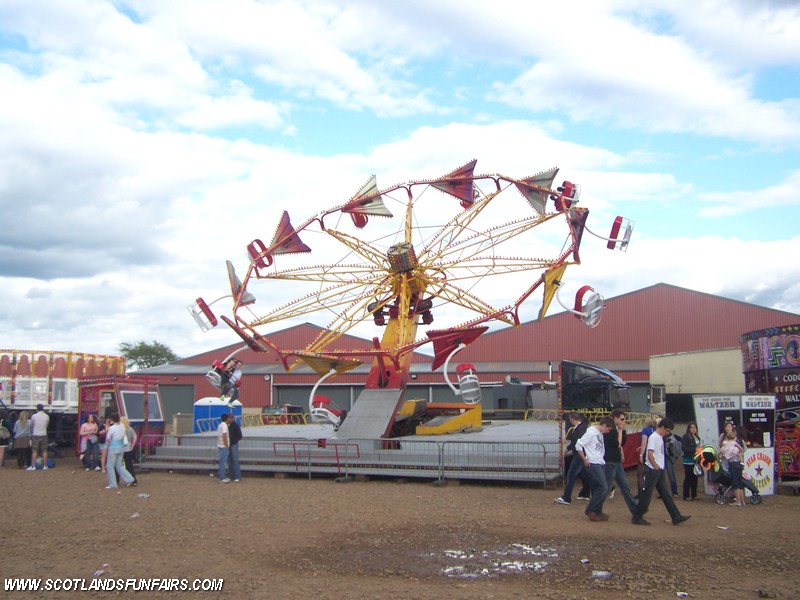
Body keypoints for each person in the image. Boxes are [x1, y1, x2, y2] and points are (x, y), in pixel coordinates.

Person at [631, 417, 691, 526]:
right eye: (667, 430)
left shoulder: (658, 437)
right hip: (654, 470)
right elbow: (650, 454)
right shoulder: (654, 437)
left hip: (657, 469)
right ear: (662, 427)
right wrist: (655, 466)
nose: (667, 433)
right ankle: (637, 516)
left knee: (664, 494)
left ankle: (675, 516)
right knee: (647, 495)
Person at [575, 416, 615, 521]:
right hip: (593, 462)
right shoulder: (591, 433)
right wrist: (584, 459)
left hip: (599, 462)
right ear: (605, 425)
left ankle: (597, 511)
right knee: (603, 487)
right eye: (608, 429)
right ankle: (591, 509)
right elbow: (579, 445)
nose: (608, 431)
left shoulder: (599, 434)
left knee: (599, 488)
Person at [603, 409, 638, 516]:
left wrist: (622, 430)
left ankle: (635, 509)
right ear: (615, 418)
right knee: (606, 488)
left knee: (625, 486)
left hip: (616, 462)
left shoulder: (616, 430)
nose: (624, 421)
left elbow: (622, 442)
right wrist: (620, 431)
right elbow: (617, 443)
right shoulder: (609, 430)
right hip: (610, 461)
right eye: (622, 419)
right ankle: (594, 507)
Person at [555, 412, 591, 505]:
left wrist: (570, 448)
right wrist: (569, 448)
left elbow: (577, 442)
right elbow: (576, 442)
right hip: (581, 454)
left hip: (579, 455)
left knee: (571, 475)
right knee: (586, 475)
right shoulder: (581, 428)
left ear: (572, 419)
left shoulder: (579, 429)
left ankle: (567, 497)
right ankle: (586, 493)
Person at [104, 413, 136, 490]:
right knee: (119, 465)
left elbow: (108, 439)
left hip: (113, 448)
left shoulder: (112, 428)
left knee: (110, 466)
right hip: (121, 448)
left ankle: (113, 484)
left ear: (112, 420)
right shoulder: (122, 426)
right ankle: (130, 479)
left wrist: (107, 446)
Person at [719, 425, 746, 507]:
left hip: (733, 464)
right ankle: (742, 501)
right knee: (740, 483)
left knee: (735, 483)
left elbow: (721, 454)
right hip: (739, 464)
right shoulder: (737, 445)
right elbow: (741, 452)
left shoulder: (725, 446)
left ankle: (737, 501)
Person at [636, 416, 658, 498]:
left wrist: (641, 454)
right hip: (654, 452)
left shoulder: (646, 430)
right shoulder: (656, 431)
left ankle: (641, 493)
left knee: (640, 474)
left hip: (646, 452)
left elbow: (644, 443)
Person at [681, 421, 701, 500]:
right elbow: (684, 448)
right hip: (688, 460)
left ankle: (694, 494)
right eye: (692, 427)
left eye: (695, 427)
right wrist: (694, 449)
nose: (693, 429)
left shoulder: (697, 437)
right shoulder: (685, 437)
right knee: (688, 477)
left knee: (695, 477)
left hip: (695, 460)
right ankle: (686, 495)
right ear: (689, 428)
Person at [28, 404, 50, 471]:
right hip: (44, 434)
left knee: (34, 451)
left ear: (37, 408)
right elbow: (47, 425)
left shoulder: (34, 416)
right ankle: (45, 465)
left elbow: (31, 425)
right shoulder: (46, 416)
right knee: (44, 450)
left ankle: (33, 466)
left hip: (35, 434)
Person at [664, 430, 682, 498]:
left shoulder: (670, 438)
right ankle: (664, 491)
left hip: (667, 457)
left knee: (670, 474)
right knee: (661, 475)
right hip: (663, 456)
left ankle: (674, 491)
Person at [120, 416, 138, 486]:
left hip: (121, 448)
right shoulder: (130, 429)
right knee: (129, 465)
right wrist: (132, 446)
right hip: (128, 447)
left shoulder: (121, 429)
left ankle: (121, 479)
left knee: (119, 465)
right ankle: (133, 479)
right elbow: (135, 437)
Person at [226, 413, 242, 482]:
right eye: (229, 418)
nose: (230, 419)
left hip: (233, 444)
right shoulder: (226, 425)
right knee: (229, 460)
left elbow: (240, 436)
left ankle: (237, 476)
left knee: (235, 460)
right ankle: (231, 475)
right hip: (228, 444)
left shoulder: (235, 426)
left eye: (231, 418)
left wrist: (234, 441)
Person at [217, 413, 231, 483]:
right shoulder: (224, 425)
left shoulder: (220, 425)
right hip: (223, 445)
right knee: (223, 462)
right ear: (227, 419)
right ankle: (222, 478)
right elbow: (224, 435)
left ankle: (221, 476)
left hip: (220, 444)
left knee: (222, 461)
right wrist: (226, 445)